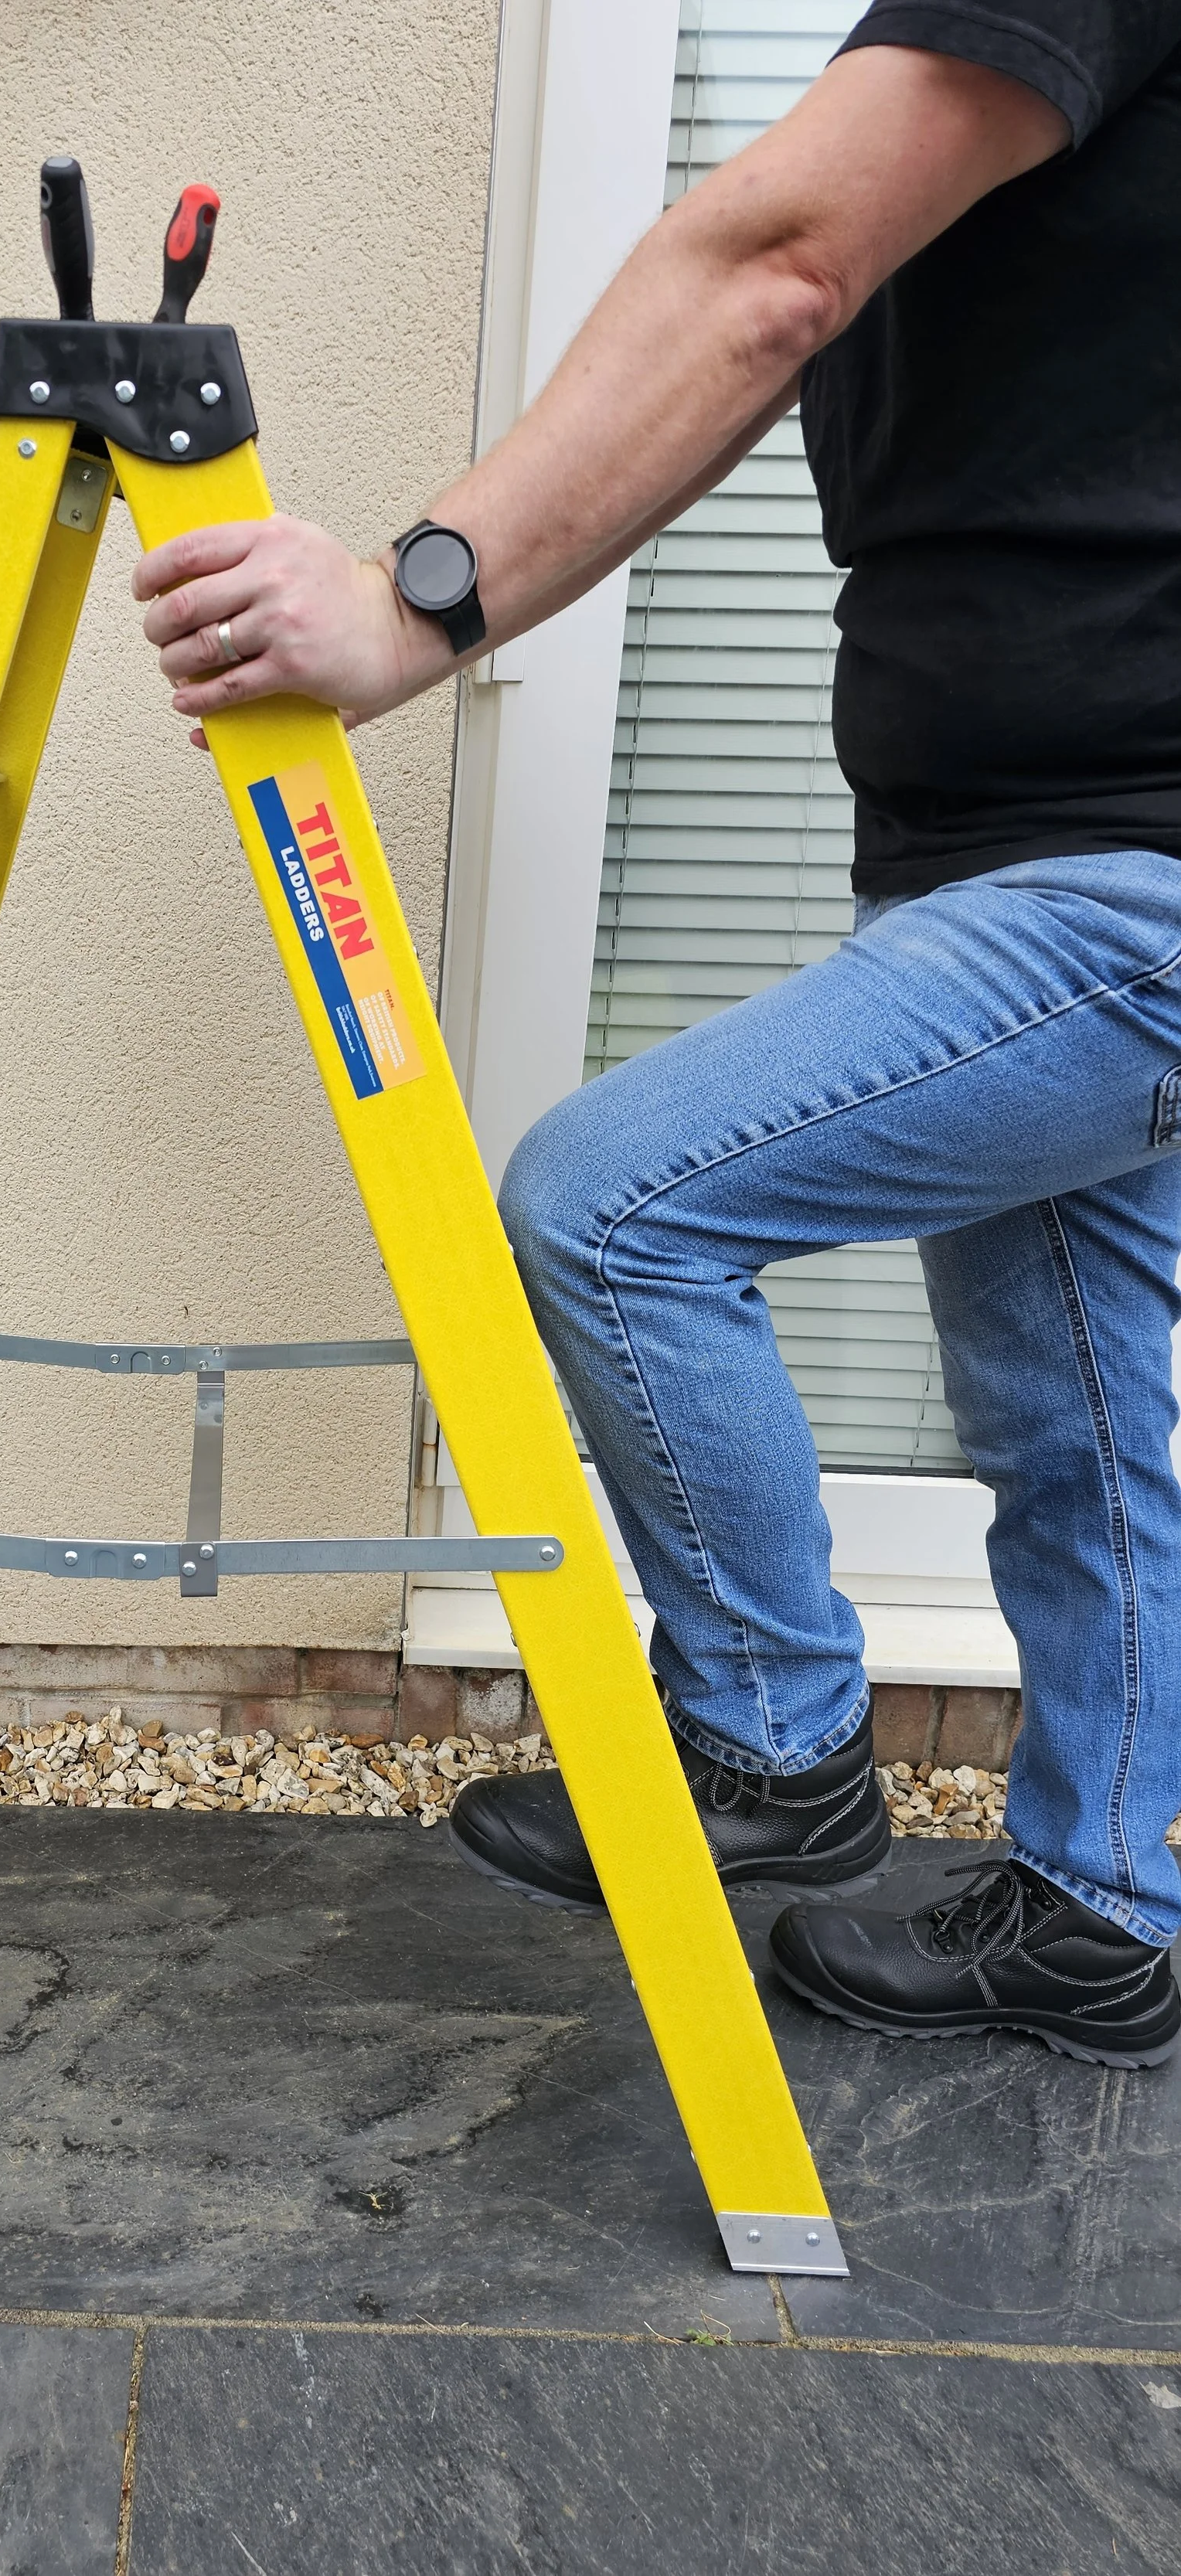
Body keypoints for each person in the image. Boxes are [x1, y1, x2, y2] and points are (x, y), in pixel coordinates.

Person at [131, 2, 1181, 2068]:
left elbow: (767, 268)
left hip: (1116, 869)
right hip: (1039, 843)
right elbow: (789, 292)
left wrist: (415, 601)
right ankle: (1107, 1900)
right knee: (1075, 1411)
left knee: (613, 1203)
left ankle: (771, 1734)